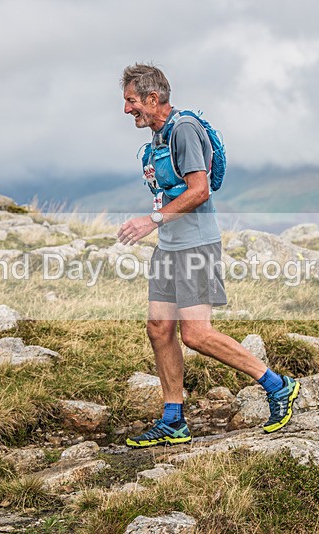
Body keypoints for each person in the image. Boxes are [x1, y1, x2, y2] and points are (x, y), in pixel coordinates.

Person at [117, 63, 300, 448]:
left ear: (153, 98)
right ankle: (173, 420)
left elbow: (200, 190)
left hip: (196, 246)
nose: (127, 109)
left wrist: (152, 220)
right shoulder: (158, 135)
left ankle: (279, 386)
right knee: (158, 328)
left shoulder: (184, 129)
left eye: (132, 101)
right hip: (170, 246)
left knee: (196, 334)